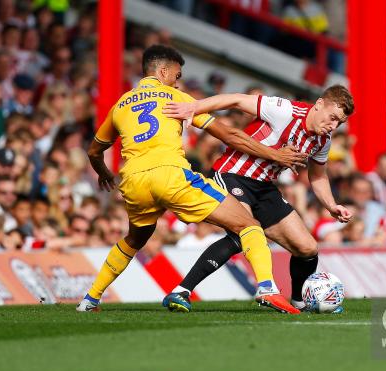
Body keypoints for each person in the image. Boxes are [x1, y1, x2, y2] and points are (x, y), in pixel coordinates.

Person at [77, 45, 307, 314]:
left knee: (134, 240)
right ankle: (268, 288)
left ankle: (90, 299)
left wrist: (104, 173)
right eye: (176, 74)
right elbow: (229, 136)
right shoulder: (176, 98)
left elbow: (94, 151)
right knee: (249, 225)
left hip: (134, 181)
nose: (178, 80)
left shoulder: (121, 104)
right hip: (171, 175)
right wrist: (274, 154)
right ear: (162, 71)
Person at [160, 85, 354, 312]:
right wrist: (194, 107)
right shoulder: (286, 110)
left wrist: (331, 205)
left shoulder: (323, 140)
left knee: (307, 248)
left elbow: (318, 176)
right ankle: (181, 290)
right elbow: (236, 99)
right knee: (243, 232)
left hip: (264, 187)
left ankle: (299, 301)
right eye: (332, 117)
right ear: (319, 104)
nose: (333, 126)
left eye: (339, 123)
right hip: (232, 174)